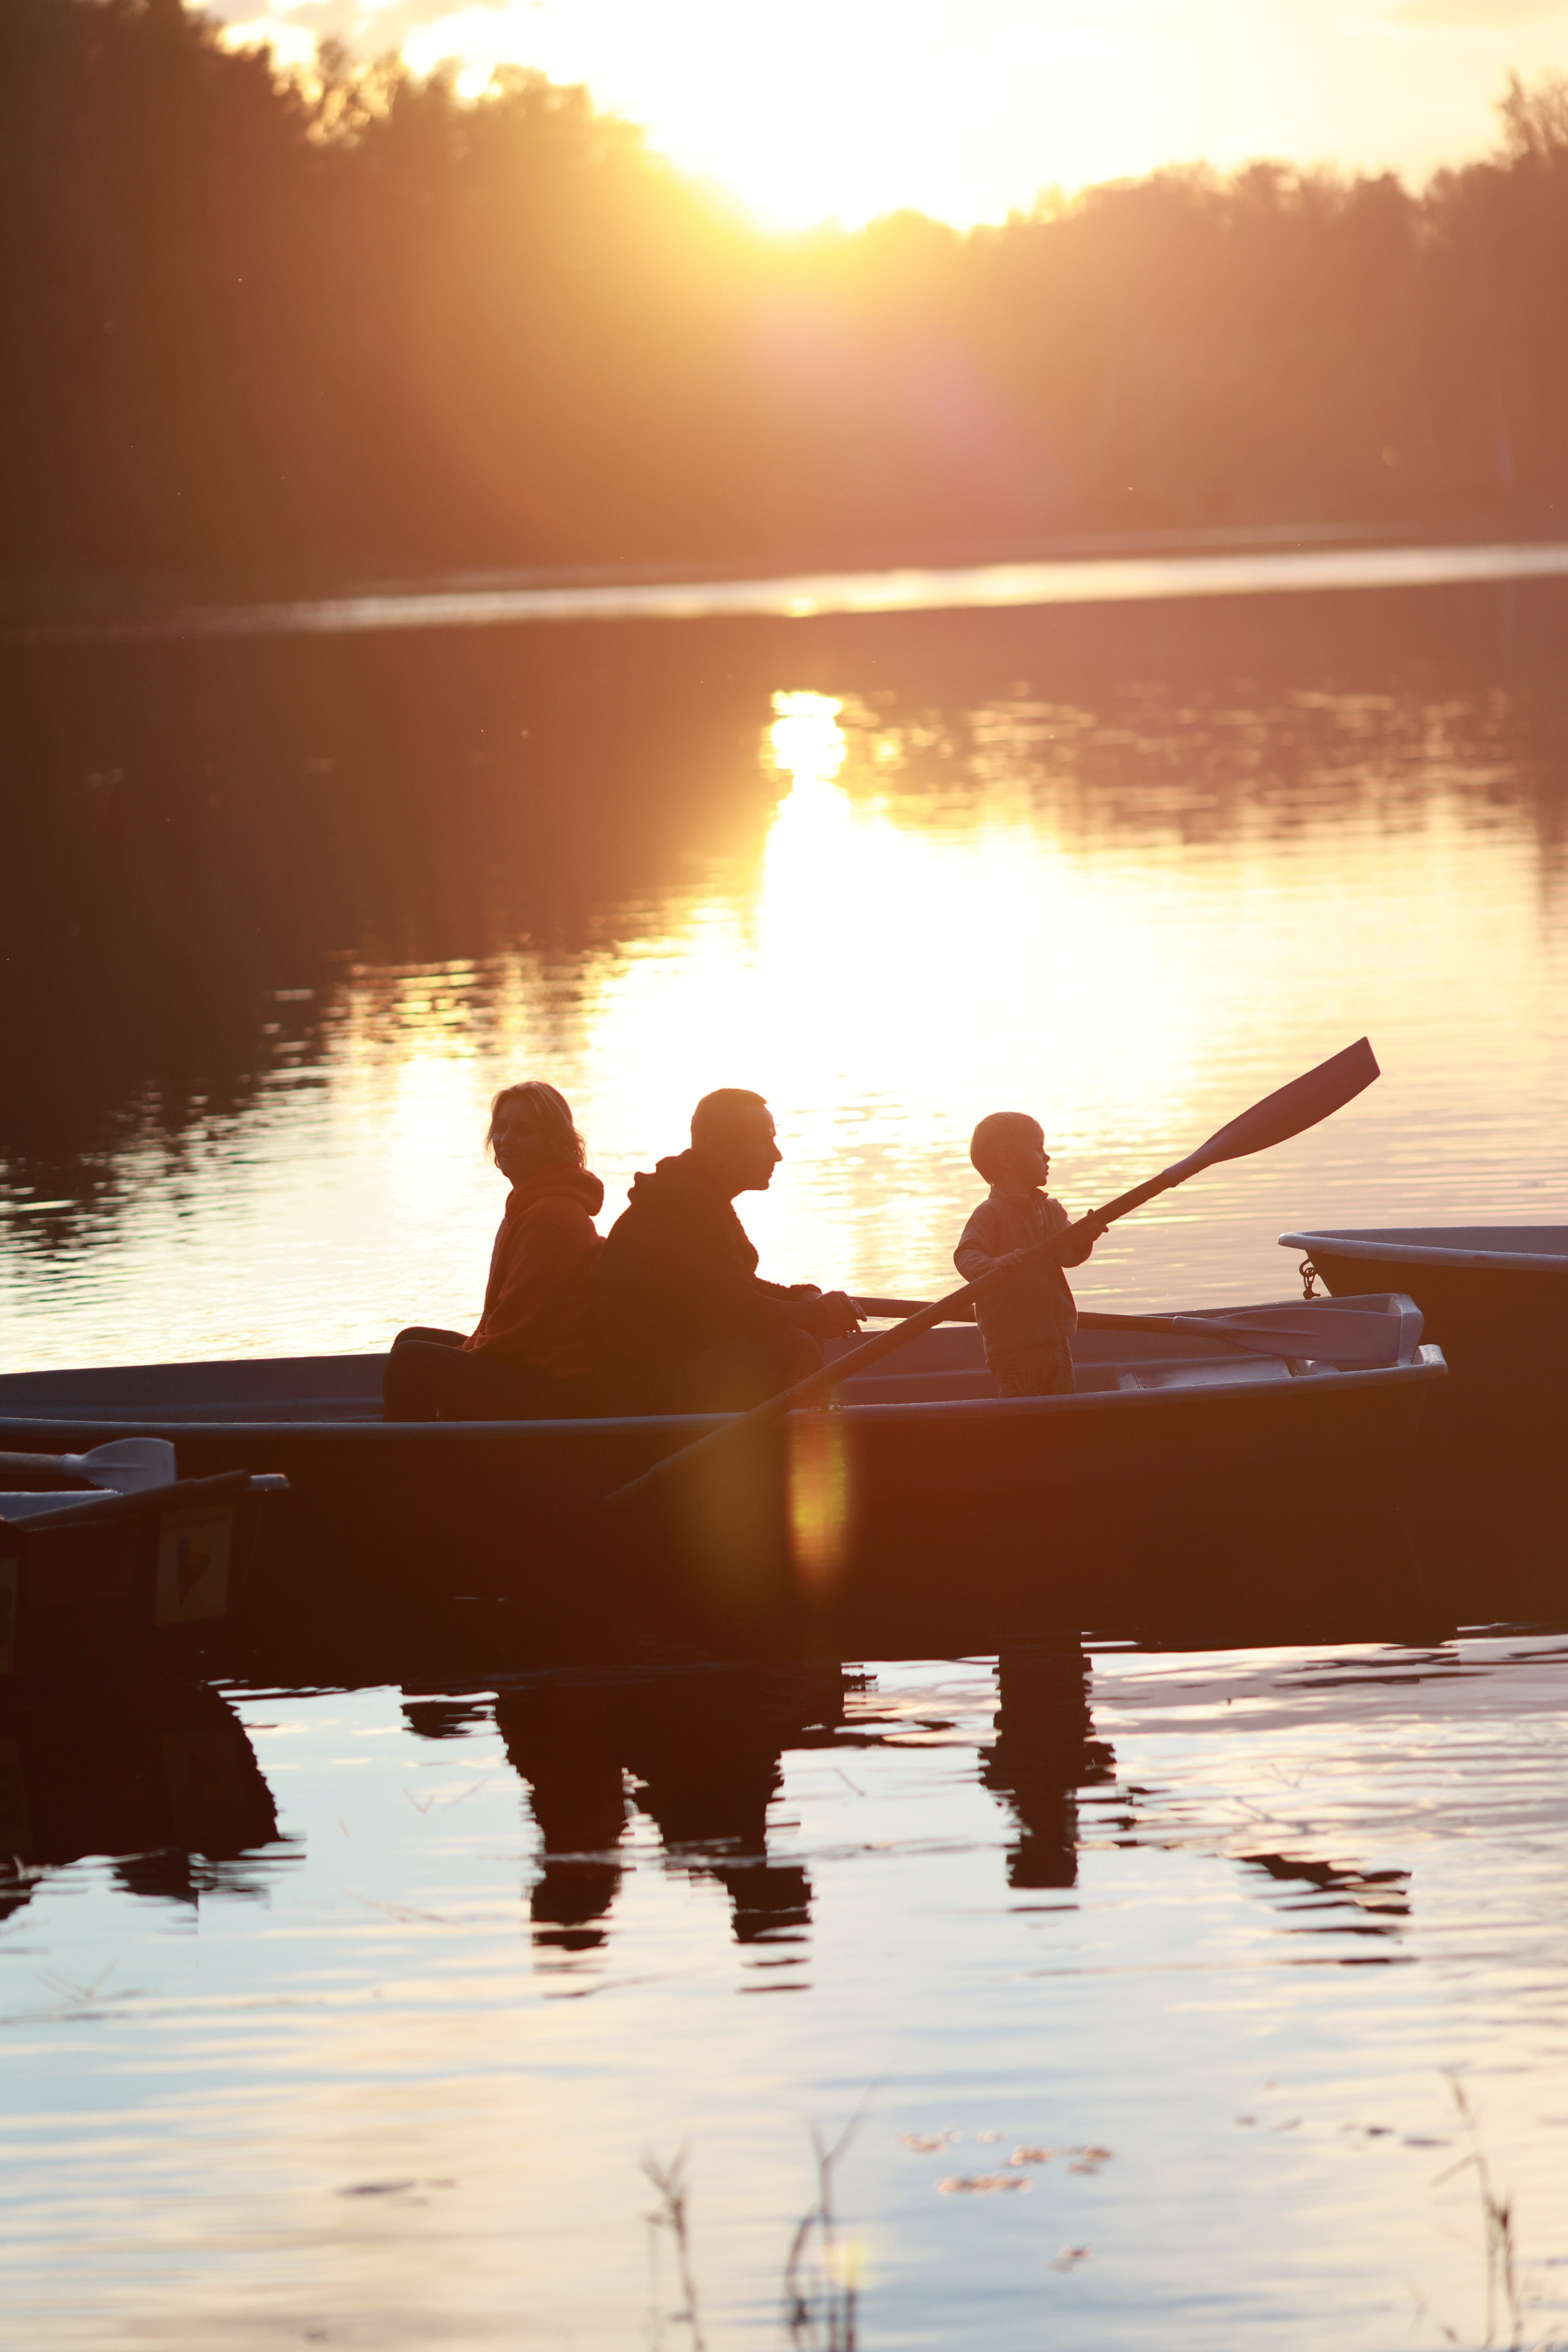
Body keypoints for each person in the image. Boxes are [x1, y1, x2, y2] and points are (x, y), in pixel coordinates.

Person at [595, 1088, 862, 1413]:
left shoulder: (694, 1196)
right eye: (763, 1140)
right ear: (718, 1148)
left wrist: (800, 1296)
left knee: (799, 1328)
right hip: (642, 1398)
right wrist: (819, 1313)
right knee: (794, 1345)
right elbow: (738, 1311)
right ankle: (796, 1452)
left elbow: (729, 1286)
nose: (777, 1155)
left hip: (672, 1373)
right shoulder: (684, 1210)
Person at [383, 1081, 604, 1420]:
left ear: (554, 1144)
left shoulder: (549, 1217)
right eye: (502, 1127)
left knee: (410, 1360)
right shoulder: (528, 1206)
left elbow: (512, 1335)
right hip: (531, 1367)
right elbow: (502, 1328)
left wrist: (464, 1356)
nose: (507, 1140)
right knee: (412, 1340)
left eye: (525, 1131)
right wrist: (465, 1352)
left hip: (556, 1390)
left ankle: (415, 1465)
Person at [953, 1112, 1104, 1398]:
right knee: (1023, 1407)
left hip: (1055, 1337)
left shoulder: (1051, 1210)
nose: (1047, 1158)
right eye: (1038, 1149)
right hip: (1013, 1344)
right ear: (1007, 1159)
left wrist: (1085, 1239)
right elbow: (966, 1255)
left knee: (1063, 1402)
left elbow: (1067, 1256)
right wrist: (993, 1265)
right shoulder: (990, 1214)